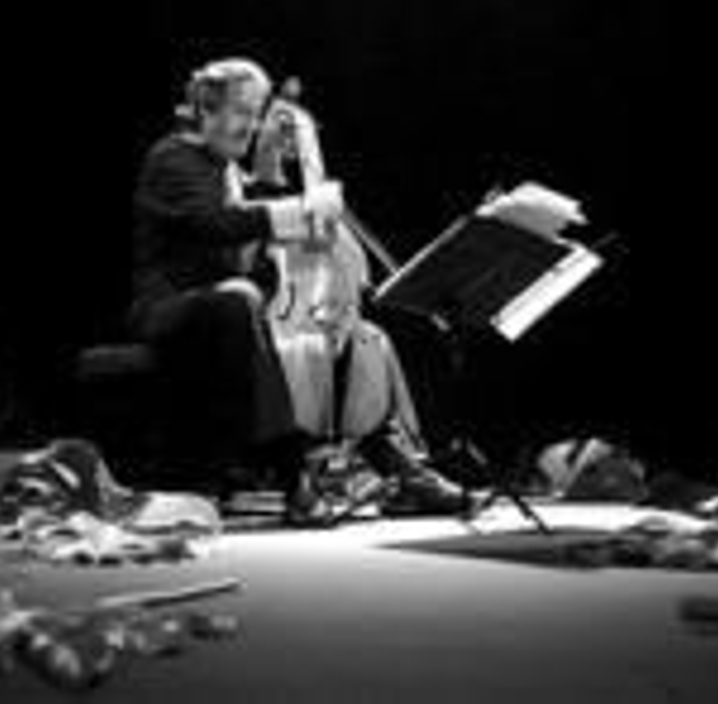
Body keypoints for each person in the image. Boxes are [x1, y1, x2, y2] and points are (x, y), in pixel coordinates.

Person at [128, 57, 467, 525]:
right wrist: (301, 207)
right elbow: (214, 223)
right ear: (204, 109)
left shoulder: (223, 167)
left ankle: (401, 465)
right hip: (171, 307)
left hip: (233, 309)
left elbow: (251, 222)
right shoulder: (173, 158)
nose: (250, 124)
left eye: (257, 112)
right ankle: (293, 477)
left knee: (361, 337)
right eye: (241, 112)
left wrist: (269, 165)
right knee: (243, 301)